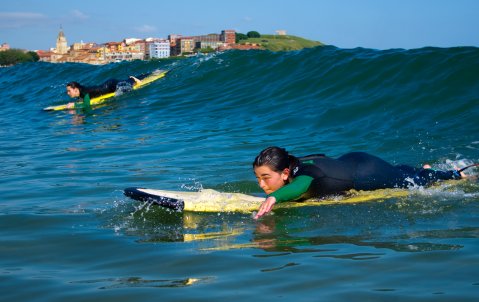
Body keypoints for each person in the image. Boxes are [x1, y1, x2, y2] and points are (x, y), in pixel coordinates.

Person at [253, 146, 468, 219]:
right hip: (353, 160)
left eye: (265, 178)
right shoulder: (292, 166)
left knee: (411, 182)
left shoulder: (304, 176)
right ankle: (424, 170)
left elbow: (302, 185)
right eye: (258, 178)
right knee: (400, 172)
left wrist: (274, 197)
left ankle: (457, 174)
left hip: (366, 172)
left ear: (284, 173)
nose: (262, 184)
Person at [65, 75, 143, 109]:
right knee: (124, 82)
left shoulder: (84, 92)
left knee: (127, 86)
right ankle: (141, 76)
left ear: (76, 89)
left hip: (110, 85)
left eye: (69, 91)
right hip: (107, 86)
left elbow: (86, 105)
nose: (68, 93)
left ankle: (133, 79)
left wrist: (74, 105)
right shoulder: (81, 93)